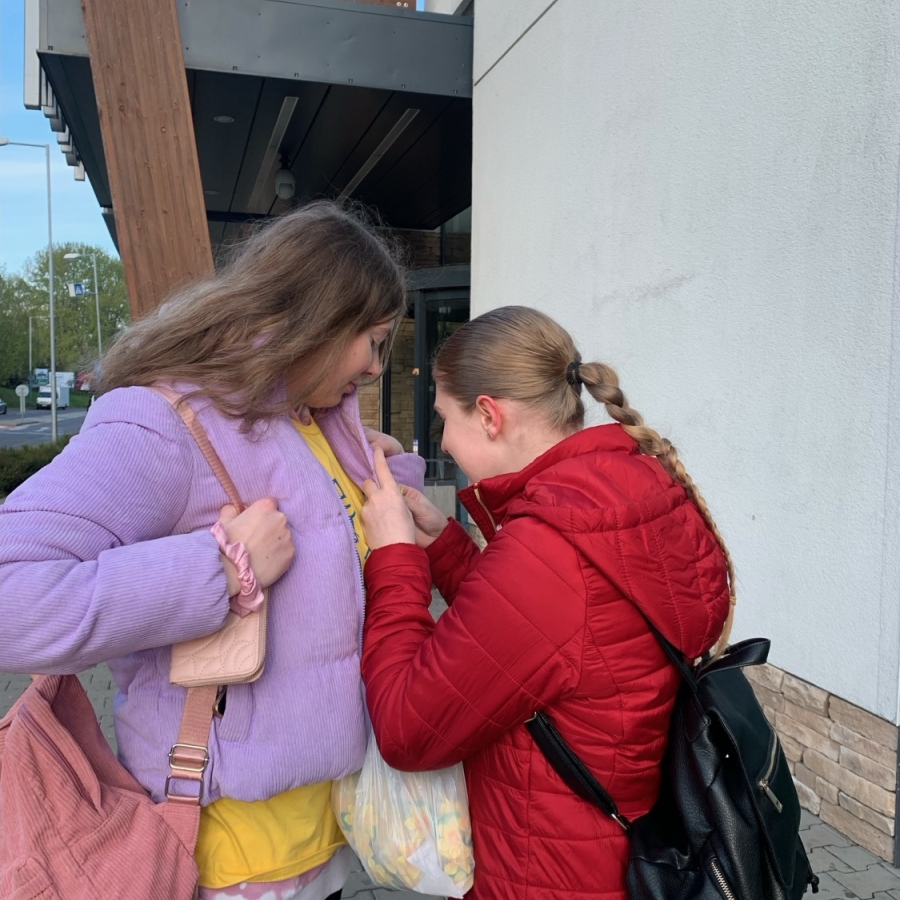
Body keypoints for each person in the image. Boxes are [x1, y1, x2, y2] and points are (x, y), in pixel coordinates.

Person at [0, 201, 425, 900]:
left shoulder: (309, 418)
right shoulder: (167, 424)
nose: (378, 368)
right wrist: (222, 569)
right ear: (322, 318)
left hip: (328, 840)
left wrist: (389, 488)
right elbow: (12, 595)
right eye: (374, 342)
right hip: (224, 859)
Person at [358, 306, 734, 900]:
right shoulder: (631, 489)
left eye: (444, 419)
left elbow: (408, 729)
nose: (444, 441)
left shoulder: (550, 549)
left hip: (548, 871)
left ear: (489, 415)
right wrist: (444, 546)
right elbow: (552, 637)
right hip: (617, 844)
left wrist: (395, 558)